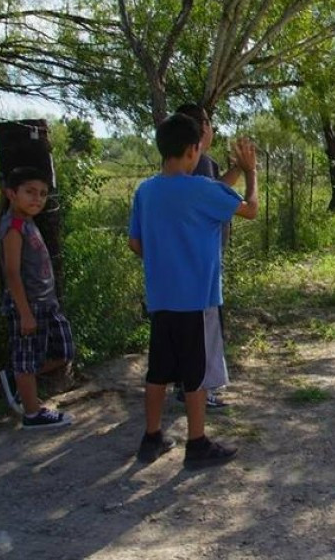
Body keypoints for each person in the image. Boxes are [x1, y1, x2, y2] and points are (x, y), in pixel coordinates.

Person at [128, 113, 258, 469]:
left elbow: (135, 243)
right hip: (197, 299)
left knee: (158, 371)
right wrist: (250, 172)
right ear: (192, 151)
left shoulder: (146, 190)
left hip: (161, 298)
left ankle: (151, 437)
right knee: (196, 374)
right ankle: (197, 443)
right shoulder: (203, 189)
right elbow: (250, 210)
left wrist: (166, 254)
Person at [0, 167, 75, 429]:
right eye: (29, 192)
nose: (37, 199)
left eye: (42, 194)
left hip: (45, 302)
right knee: (27, 357)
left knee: (64, 350)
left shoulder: (28, 222)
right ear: (11, 193)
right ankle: (32, 413)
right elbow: (12, 272)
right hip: (28, 304)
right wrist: (25, 312)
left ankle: (19, 379)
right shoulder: (13, 226)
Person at [172, 103, 240, 410]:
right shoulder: (197, 163)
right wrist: (248, 174)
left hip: (189, 263)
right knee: (203, 328)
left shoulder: (201, 165)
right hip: (201, 264)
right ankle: (199, 389)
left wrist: (239, 167)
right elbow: (227, 201)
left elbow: (216, 190)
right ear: (202, 129)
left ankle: (186, 385)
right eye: (209, 123)